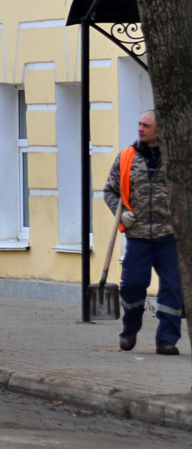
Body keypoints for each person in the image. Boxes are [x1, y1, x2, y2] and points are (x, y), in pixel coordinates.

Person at [103, 109, 183, 355]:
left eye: (146, 125)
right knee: (132, 286)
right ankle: (130, 330)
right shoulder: (127, 157)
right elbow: (110, 190)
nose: (140, 128)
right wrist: (121, 212)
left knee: (172, 288)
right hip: (137, 237)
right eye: (139, 124)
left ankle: (166, 340)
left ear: (159, 130)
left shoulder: (176, 158)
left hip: (169, 237)